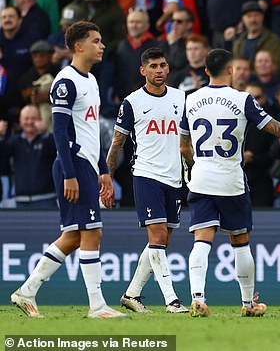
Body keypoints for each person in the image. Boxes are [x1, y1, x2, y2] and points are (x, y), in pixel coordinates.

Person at [180, 48, 280, 317]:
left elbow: (184, 146)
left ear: (206, 71)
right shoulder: (243, 100)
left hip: (201, 179)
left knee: (201, 240)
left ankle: (198, 298)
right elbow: (275, 128)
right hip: (231, 181)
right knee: (240, 240)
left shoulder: (190, 100)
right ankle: (247, 304)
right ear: (230, 70)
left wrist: (197, 166)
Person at [10, 21, 128, 319]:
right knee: (93, 232)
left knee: (76, 236)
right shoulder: (66, 81)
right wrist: (69, 173)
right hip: (73, 164)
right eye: (96, 41)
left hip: (86, 164)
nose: (102, 46)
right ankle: (97, 306)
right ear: (79, 46)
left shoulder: (91, 81)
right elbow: (59, 132)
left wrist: (104, 171)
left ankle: (27, 291)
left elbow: (90, 131)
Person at [106, 47, 188, 314]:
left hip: (175, 177)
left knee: (163, 241)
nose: (159, 70)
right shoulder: (132, 102)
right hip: (146, 174)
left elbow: (188, 139)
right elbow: (117, 144)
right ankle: (172, 301)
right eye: (153, 66)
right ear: (143, 71)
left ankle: (132, 294)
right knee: (158, 235)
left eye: (163, 65)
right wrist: (108, 177)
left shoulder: (181, 98)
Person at [0, 105, 56, 208]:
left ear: (40, 120)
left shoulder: (47, 139)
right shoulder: (15, 141)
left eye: (33, 118)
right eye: (26, 119)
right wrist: (1, 137)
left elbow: (57, 153)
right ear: (20, 121)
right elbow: (3, 156)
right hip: (21, 201)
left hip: (46, 199)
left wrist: (45, 134)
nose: (29, 122)